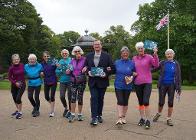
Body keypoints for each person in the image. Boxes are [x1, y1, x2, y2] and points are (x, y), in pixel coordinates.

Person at [84, 40, 113, 126]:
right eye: (95, 44)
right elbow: (85, 67)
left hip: (102, 81)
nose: (97, 45)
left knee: (100, 99)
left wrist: (106, 74)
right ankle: (94, 117)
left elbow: (112, 67)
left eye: (98, 44)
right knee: (93, 98)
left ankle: (99, 115)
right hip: (92, 81)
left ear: (101, 46)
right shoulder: (88, 56)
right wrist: (88, 72)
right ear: (93, 46)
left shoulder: (107, 56)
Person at [133, 42, 159, 129]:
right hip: (137, 83)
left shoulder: (149, 57)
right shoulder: (134, 58)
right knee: (140, 102)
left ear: (144, 49)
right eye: (139, 48)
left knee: (146, 101)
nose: (141, 49)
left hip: (147, 82)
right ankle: (142, 118)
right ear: (137, 50)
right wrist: (132, 73)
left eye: (142, 48)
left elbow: (156, 65)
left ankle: (148, 120)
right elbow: (132, 69)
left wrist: (155, 54)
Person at [153, 49, 181, 126]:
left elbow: (178, 76)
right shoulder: (162, 63)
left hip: (172, 85)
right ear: (166, 55)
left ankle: (169, 118)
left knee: (170, 102)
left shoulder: (176, 64)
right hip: (162, 85)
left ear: (173, 55)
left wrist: (179, 87)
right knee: (161, 102)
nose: (169, 55)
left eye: (170, 54)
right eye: (168, 54)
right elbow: (154, 68)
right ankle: (158, 114)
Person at [114, 46, 136, 125]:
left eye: (126, 53)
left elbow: (135, 72)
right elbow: (112, 70)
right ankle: (119, 117)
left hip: (128, 85)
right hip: (118, 84)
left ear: (128, 54)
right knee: (120, 100)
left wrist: (133, 75)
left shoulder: (132, 62)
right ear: (121, 54)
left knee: (125, 101)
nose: (125, 54)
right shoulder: (117, 62)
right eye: (123, 53)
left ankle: (123, 117)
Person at [67, 46, 86, 122]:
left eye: (78, 51)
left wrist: (86, 68)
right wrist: (68, 71)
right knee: (73, 98)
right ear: (74, 53)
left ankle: (80, 114)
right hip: (73, 81)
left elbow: (88, 67)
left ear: (80, 52)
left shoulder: (85, 60)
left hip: (81, 81)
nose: (77, 53)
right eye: (76, 52)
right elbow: (69, 70)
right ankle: (72, 114)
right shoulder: (72, 61)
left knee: (80, 97)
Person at [8, 54, 26, 119]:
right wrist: (15, 82)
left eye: (17, 59)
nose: (16, 61)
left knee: (18, 98)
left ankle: (20, 112)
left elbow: (28, 69)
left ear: (19, 59)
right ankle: (18, 110)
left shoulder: (23, 65)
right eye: (14, 60)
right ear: (12, 61)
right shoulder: (11, 68)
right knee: (15, 98)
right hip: (14, 85)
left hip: (22, 84)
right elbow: (9, 77)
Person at [56, 49, 72, 118]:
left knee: (70, 97)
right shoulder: (60, 61)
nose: (64, 54)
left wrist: (70, 70)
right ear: (61, 54)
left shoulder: (71, 60)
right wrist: (59, 69)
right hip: (62, 81)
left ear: (68, 54)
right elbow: (57, 72)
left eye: (66, 53)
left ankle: (70, 111)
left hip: (70, 81)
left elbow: (74, 68)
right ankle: (66, 108)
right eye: (63, 53)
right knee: (62, 96)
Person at [41, 51, 57, 117]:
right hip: (46, 81)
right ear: (43, 57)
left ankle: (52, 111)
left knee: (52, 96)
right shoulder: (42, 64)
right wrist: (41, 73)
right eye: (45, 56)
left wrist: (58, 65)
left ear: (49, 56)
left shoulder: (53, 62)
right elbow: (40, 70)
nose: (46, 57)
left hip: (53, 81)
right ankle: (52, 104)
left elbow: (59, 68)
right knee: (46, 97)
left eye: (47, 56)